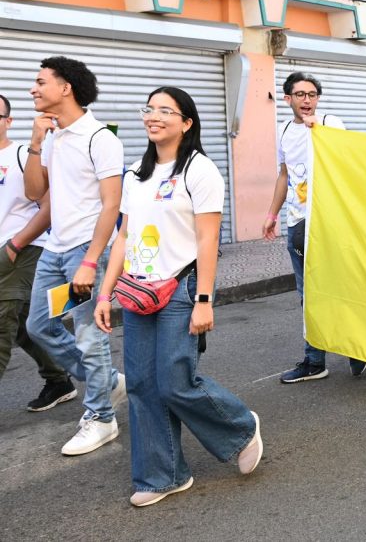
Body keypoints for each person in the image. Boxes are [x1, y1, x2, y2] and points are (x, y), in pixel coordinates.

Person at [94, 87, 262, 507]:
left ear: (186, 122)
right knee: (143, 386)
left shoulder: (200, 170)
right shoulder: (136, 173)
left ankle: (240, 427)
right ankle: (162, 475)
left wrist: (205, 298)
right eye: (148, 108)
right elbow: (124, 237)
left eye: (164, 110)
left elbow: (208, 238)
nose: (153, 116)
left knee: (174, 381)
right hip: (137, 291)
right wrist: (104, 293)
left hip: (181, 287)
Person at [23, 56, 127, 456]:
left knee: (90, 337)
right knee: (39, 327)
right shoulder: (52, 137)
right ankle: (108, 383)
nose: (33, 88)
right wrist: (34, 143)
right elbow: (36, 193)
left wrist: (91, 259)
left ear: (65, 88)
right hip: (54, 248)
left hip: (86, 248)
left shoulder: (99, 138)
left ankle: (101, 417)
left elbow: (111, 204)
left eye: (40, 81)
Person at [263, 71, 366, 383]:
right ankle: (314, 360)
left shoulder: (330, 123)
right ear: (288, 99)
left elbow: (346, 157)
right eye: (300, 95)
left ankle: (357, 348)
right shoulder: (283, 130)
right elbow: (285, 174)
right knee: (308, 294)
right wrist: (272, 213)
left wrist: (317, 128)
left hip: (328, 221)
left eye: (311, 95)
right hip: (297, 222)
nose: (306, 100)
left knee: (341, 287)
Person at [0, 94, 72, 407]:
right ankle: (59, 380)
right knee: (29, 327)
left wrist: (15, 245)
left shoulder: (21, 154)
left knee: (2, 323)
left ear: (8, 121)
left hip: (23, 250)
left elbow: (47, 205)